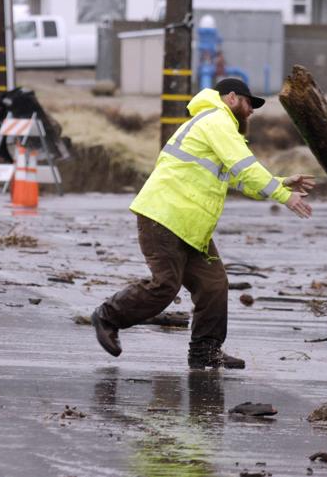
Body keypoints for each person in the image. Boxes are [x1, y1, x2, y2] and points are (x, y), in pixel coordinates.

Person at [91, 78, 315, 370]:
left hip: (190, 225)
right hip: (165, 216)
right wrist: (284, 196)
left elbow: (236, 177)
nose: (252, 111)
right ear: (232, 97)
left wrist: (279, 181)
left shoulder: (213, 124)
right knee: (165, 285)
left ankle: (205, 351)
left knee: (213, 285)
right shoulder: (217, 120)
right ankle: (108, 316)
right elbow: (244, 165)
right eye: (249, 103)